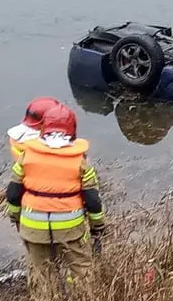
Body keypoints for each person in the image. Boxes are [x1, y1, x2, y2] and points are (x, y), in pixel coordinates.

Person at [6, 104, 107, 290]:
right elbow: (93, 201)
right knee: (81, 271)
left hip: (33, 228)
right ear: (73, 130)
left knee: (41, 275)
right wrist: (97, 227)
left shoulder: (26, 157)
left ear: (43, 128)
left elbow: (13, 194)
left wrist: (15, 217)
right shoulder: (81, 162)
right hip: (70, 229)